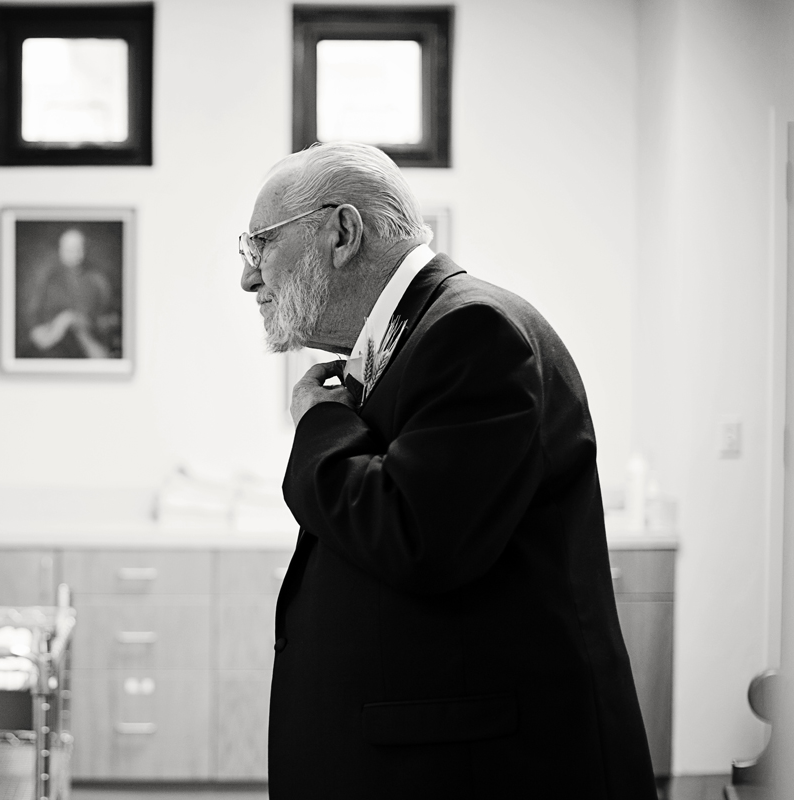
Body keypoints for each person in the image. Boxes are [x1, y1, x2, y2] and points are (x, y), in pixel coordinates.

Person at [239, 142, 656, 798]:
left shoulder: (475, 332)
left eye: (258, 244)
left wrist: (317, 423)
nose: (249, 276)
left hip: (482, 770)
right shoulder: (410, 337)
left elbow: (416, 536)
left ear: (342, 232)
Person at [23, 227, 117, 359]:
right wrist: (51, 327)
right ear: (61, 251)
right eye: (69, 250)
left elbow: (110, 318)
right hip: (54, 347)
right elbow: (35, 315)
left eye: (78, 249)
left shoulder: (98, 280)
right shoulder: (50, 279)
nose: (75, 255)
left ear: (85, 250)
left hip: (88, 345)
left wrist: (83, 322)